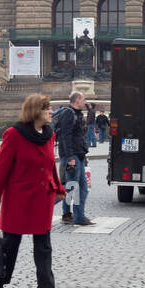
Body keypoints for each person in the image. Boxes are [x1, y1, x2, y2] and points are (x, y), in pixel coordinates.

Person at [0, 93, 65, 288]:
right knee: (10, 244)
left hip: (42, 199)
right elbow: (1, 169)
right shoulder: (13, 134)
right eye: (47, 108)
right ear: (35, 111)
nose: (51, 112)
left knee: (44, 246)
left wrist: (57, 186)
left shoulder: (49, 134)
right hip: (19, 199)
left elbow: (50, 164)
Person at [55, 90, 95, 226]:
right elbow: (65, 137)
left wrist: (83, 155)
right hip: (72, 156)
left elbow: (77, 137)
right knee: (71, 187)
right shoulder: (68, 113)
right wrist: (70, 157)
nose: (85, 102)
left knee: (83, 188)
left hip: (79, 155)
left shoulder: (77, 114)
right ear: (77, 100)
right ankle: (44, 203)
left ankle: (79, 217)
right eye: (83, 99)